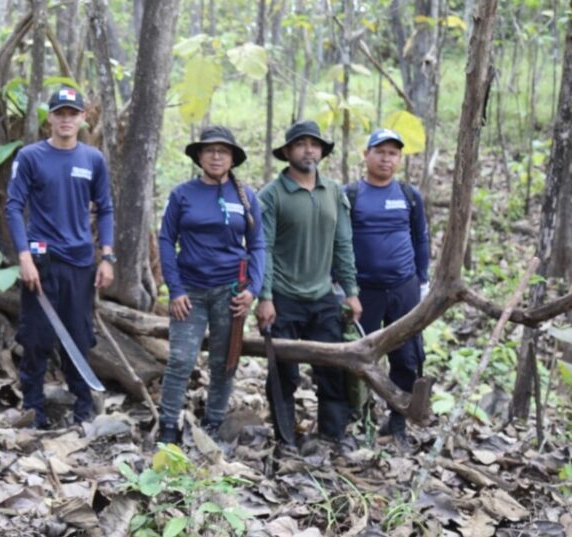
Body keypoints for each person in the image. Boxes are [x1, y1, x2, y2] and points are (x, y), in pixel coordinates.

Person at [5, 87, 115, 429]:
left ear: (83, 117)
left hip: (80, 262)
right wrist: (23, 255)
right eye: (60, 113)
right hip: (41, 260)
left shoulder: (92, 159)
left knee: (79, 336)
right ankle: (33, 409)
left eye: (73, 113)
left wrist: (107, 256)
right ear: (49, 118)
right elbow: (12, 206)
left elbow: (106, 208)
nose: (66, 119)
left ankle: (83, 408)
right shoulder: (31, 156)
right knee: (36, 337)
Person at [255, 120, 362, 448]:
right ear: (287, 152)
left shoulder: (333, 192)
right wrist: (265, 296)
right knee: (284, 373)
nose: (308, 150)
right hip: (283, 297)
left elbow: (343, 244)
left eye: (314, 144)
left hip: (323, 295)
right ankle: (285, 439)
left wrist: (352, 292)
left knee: (331, 369)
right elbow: (264, 249)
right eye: (301, 144)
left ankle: (333, 435)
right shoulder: (271, 196)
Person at [157, 126, 265, 444]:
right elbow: (166, 240)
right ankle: (167, 427)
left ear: (232, 158)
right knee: (180, 359)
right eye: (210, 150)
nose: (216, 156)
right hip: (189, 290)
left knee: (224, 361)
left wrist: (253, 290)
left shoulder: (246, 198)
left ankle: (214, 422)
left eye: (223, 151)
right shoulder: (182, 194)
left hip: (230, 291)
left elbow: (258, 244)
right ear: (200, 156)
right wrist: (174, 289)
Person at [347, 128, 429, 448]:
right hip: (363, 291)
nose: (386, 158)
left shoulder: (409, 195)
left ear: (399, 159)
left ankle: (397, 422)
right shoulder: (350, 194)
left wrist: (423, 281)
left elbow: (420, 238)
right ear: (366, 155)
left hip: (403, 288)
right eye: (379, 151)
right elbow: (339, 241)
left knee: (407, 358)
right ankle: (358, 418)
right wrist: (341, 284)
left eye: (392, 153)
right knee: (357, 357)